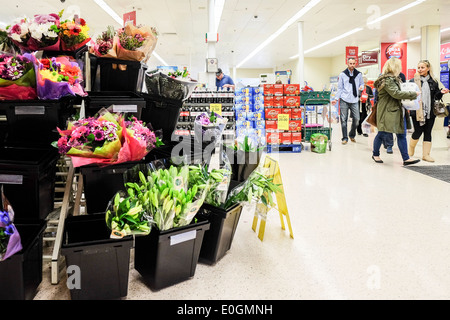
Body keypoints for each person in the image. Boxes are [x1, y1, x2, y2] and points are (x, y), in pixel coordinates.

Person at [372, 57, 421, 166]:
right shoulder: (387, 80)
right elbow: (396, 94)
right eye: (399, 66)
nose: (401, 68)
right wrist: (413, 94)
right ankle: (375, 154)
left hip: (397, 111)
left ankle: (406, 158)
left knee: (401, 134)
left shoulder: (395, 79)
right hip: (388, 111)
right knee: (382, 133)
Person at [408, 60, 449, 162]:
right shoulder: (413, 81)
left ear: (428, 68)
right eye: (419, 68)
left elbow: (436, 96)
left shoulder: (433, 81)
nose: (420, 70)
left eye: (422, 67)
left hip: (430, 111)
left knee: (428, 132)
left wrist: (441, 92)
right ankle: (411, 148)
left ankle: (426, 155)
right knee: (417, 131)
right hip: (417, 111)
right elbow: (408, 95)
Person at [332, 57, 365, 144]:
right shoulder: (342, 74)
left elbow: (362, 83)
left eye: (353, 63)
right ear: (347, 63)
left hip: (354, 100)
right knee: (343, 119)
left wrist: (362, 87)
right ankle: (345, 138)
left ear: (355, 63)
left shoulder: (359, 74)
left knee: (357, 119)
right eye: (350, 64)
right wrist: (336, 99)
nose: (352, 65)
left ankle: (352, 134)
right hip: (344, 99)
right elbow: (339, 88)